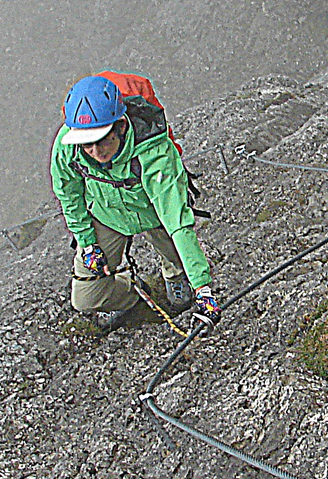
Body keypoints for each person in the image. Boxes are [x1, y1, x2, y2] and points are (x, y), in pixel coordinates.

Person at [51, 73, 221, 333]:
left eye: (102, 140)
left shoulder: (154, 150)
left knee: (182, 270)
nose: (96, 152)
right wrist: (87, 244)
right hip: (108, 214)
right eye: (87, 145)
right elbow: (69, 194)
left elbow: (176, 221)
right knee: (86, 297)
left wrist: (203, 288)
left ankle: (175, 276)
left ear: (120, 125)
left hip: (155, 211)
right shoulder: (67, 148)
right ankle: (132, 293)